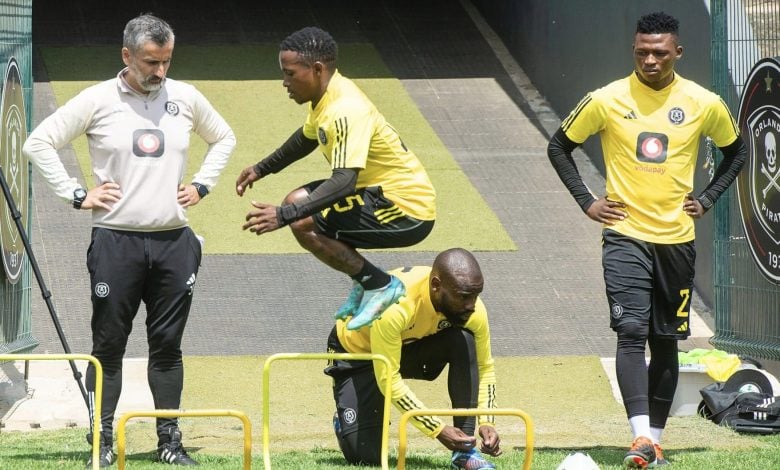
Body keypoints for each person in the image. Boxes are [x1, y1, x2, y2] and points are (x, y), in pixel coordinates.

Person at [23, 13, 235, 468]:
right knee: (109, 346)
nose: (159, 72)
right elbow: (38, 142)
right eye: (150, 62)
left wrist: (202, 185)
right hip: (115, 241)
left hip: (173, 242)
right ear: (127, 55)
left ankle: (169, 443)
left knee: (167, 346)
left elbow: (224, 138)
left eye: (166, 62)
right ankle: (101, 441)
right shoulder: (98, 99)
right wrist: (78, 194)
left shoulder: (186, 97)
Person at [546, 11, 746, 469]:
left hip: (676, 240)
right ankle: (638, 436)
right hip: (624, 235)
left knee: (667, 340)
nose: (650, 60)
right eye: (642, 52)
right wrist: (587, 202)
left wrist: (709, 196)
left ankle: (653, 441)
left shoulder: (703, 102)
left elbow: (736, 150)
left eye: (659, 52)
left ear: (677, 51)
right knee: (631, 329)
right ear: (633, 51)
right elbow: (559, 146)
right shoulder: (606, 98)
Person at [236, 26, 436, 330]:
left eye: (290, 73)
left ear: (317, 70)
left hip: (406, 209)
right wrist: (262, 168)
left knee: (302, 218)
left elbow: (344, 183)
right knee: (298, 205)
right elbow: (306, 138)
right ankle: (365, 279)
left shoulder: (345, 109)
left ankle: (379, 284)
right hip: (375, 193)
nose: (284, 82)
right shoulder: (327, 96)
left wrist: (284, 216)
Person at [324, 248, 502, 469]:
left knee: (463, 340)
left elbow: (485, 368)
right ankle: (346, 421)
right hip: (356, 354)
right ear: (436, 286)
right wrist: (437, 429)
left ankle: (464, 452)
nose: (471, 305)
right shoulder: (394, 305)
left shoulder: (473, 310)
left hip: (405, 345)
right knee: (366, 456)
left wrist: (487, 421)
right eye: (464, 297)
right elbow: (388, 379)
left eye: (476, 295)